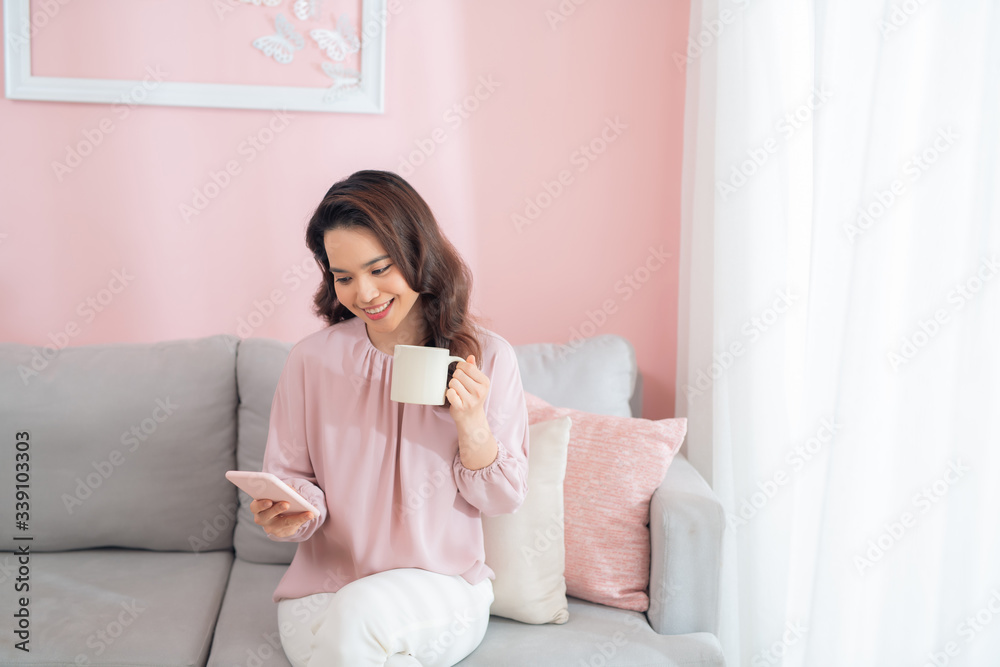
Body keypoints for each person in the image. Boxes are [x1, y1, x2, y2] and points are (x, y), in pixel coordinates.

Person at [250, 170, 530, 667]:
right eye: (344, 277)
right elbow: (294, 481)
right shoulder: (312, 361)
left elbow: (503, 498)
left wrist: (472, 424)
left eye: (380, 269)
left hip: (439, 589)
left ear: (417, 254)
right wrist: (290, 514)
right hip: (323, 591)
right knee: (350, 633)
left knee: (360, 618)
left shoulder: (487, 358)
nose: (364, 294)